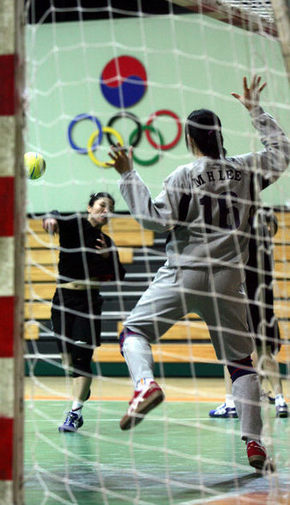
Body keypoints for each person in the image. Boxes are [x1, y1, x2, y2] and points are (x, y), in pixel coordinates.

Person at [108, 75, 290, 471]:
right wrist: (256, 110)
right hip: (228, 279)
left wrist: (127, 174)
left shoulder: (182, 176)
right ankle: (255, 444)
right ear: (219, 135)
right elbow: (283, 152)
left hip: (185, 272)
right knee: (241, 361)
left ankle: (145, 385)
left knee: (132, 332)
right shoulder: (248, 168)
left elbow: (153, 220)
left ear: (190, 140)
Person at [42, 192, 126, 432]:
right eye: (101, 205)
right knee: (68, 362)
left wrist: (107, 257)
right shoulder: (74, 224)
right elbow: (54, 216)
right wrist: (49, 220)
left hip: (89, 302)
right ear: (90, 208)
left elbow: (120, 275)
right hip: (63, 299)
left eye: (109, 208)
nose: (105, 211)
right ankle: (83, 388)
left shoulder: (106, 242)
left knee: (81, 359)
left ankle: (75, 412)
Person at [209, 209, 288, 419]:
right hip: (264, 306)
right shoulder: (265, 247)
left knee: (232, 352)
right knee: (266, 353)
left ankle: (231, 403)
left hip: (241, 302)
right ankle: (280, 400)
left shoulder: (240, 241)